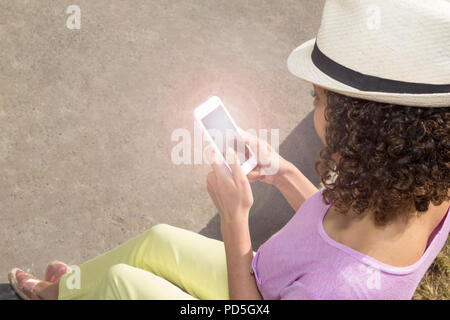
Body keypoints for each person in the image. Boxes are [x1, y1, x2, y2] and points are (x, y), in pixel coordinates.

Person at [9, 0, 449, 300]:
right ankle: (61, 294)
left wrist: (235, 221)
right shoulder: (408, 176)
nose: (312, 108)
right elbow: (332, 222)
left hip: (253, 293)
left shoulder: (338, 288)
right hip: (267, 276)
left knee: (125, 283)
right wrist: (282, 173)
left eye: (317, 98)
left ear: (359, 123)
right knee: (157, 240)